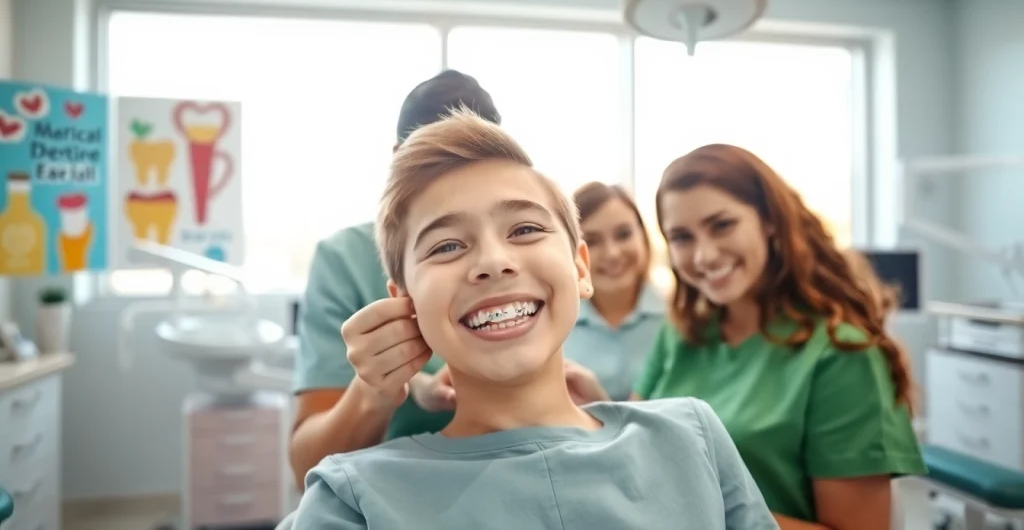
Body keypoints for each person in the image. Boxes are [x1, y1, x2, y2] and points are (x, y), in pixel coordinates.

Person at [290, 111, 779, 530]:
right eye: (446, 246)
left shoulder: (693, 438)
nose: (493, 261)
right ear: (406, 302)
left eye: (524, 229)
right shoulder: (352, 500)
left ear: (579, 268)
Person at [632, 143, 926, 530]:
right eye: (682, 237)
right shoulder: (681, 334)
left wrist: (702, 510)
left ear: (769, 220)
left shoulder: (841, 356)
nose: (704, 255)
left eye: (722, 225)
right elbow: (639, 446)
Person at [288, 70, 502, 489]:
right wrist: (378, 391)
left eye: (481, 164)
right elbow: (307, 466)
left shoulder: (516, 258)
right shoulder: (345, 260)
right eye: (439, 164)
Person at [564, 182, 663, 400]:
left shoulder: (680, 320)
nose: (612, 253)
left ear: (643, 236)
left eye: (623, 234)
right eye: (592, 241)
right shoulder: (556, 325)